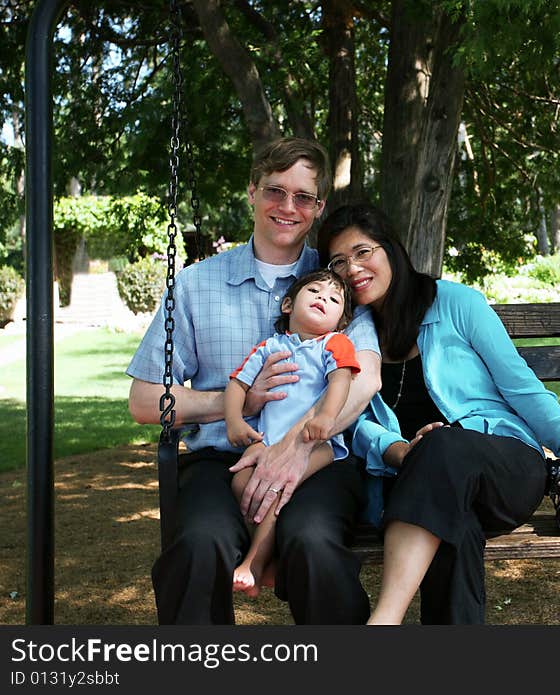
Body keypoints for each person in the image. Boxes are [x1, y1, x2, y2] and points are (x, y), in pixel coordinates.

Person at [127, 137, 380, 625]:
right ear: (251, 192)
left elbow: (364, 378)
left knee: (314, 543)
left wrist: (295, 446)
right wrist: (235, 402)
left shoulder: (338, 286)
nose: (287, 207)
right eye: (275, 191)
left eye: (303, 196)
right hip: (220, 461)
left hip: (317, 463)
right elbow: (142, 400)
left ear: (319, 206)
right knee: (200, 544)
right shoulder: (196, 285)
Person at [316, 202, 560, 625]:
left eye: (363, 252)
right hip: (419, 482)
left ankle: (384, 622)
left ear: (391, 249)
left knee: (442, 445)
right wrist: (395, 449)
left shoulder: (456, 303)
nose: (352, 269)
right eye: (338, 261)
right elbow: (351, 418)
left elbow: (521, 388)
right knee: (456, 530)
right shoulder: (352, 332)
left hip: (502, 466)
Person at [224, 269, 360, 596]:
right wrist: (234, 422)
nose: (321, 299)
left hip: (318, 444)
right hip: (267, 442)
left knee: (280, 486)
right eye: (313, 291)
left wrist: (325, 417)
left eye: (333, 299)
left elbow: (341, 381)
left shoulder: (335, 343)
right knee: (240, 481)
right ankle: (270, 555)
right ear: (288, 304)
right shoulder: (270, 346)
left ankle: (255, 563)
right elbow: (237, 384)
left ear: (341, 320)